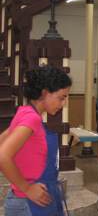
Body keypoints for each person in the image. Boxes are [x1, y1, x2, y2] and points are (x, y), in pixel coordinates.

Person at [0, 66, 72, 216]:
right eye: (61, 97)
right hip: (28, 203)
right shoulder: (31, 118)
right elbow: (2, 155)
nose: (63, 103)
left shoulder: (25, 112)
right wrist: (26, 188)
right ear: (45, 93)